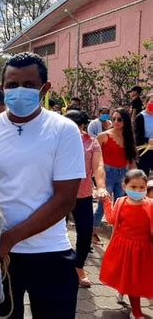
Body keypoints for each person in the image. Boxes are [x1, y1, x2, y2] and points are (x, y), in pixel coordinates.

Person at [0, 52, 85, 319]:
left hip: (50, 253)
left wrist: (10, 239)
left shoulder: (63, 130)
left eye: (29, 85)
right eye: (12, 85)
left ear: (45, 88)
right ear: (2, 89)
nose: (19, 91)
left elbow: (65, 200)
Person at [99, 169, 153, 319]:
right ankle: (136, 311)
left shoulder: (151, 205)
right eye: (133, 187)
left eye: (142, 187)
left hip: (143, 250)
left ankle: (123, 291)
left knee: (136, 278)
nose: (138, 190)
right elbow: (111, 219)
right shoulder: (121, 202)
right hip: (123, 248)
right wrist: (106, 202)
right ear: (124, 186)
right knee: (131, 280)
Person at [65, 110, 108, 288]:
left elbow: (98, 166)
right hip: (57, 196)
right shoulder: (55, 140)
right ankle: (56, 266)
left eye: (74, 125)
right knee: (54, 233)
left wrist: (101, 186)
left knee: (84, 234)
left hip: (82, 195)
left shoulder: (91, 143)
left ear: (83, 125)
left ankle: (78, 267)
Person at [93, 108, 137, 244]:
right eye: (114, 119)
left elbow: (131, 160)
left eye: (120, 119)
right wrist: (93, 178)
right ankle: (92, 231)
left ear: (126, 121)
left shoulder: (129, 137)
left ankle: (116, 235)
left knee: (121, 205)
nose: (116, 122)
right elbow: (94, 157)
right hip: (107, 173)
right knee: (103, 204)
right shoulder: (103, 136)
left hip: (123, 174)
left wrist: (135, 177)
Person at [134, 93, 153, 176]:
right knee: (144, 175)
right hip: (144, 150)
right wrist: (148, 140)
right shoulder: (140, 117)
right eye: (151, 102)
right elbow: (137, 136)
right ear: (146, 103)